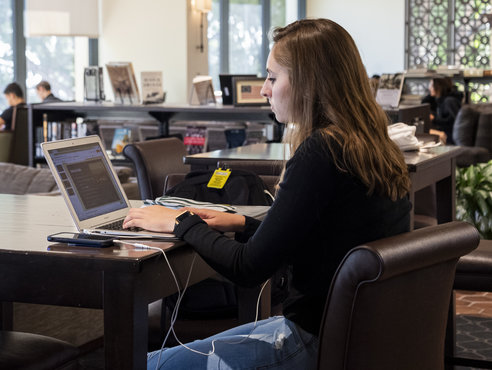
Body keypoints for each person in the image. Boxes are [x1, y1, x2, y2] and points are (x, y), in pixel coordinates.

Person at [122, 18, 412, 369]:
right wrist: (243, 222)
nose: (263, 89)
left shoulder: (321, 152)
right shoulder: (375, 147)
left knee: (145, 364)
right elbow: (325, 237)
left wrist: (180, 222)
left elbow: (249, 268)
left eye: (273, 77)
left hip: (311, 341)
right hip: (361, 337)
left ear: (308, 83)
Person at [424, 76, 463, 145]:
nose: (429, 88)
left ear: (439, 87)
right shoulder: (440, 100)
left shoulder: (449, 101)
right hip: (446, 134)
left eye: (432, 85)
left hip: (451, 137)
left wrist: (434, 119)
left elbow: (455, 122)